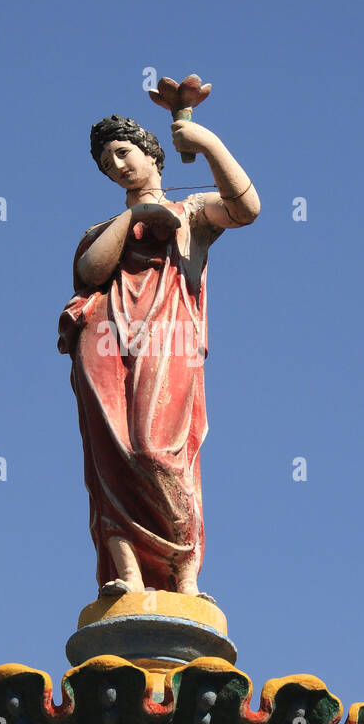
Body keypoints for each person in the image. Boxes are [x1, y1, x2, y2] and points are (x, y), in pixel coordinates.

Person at [58, 113, 259, 598]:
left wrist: (206, 141)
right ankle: (126, 573)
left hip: (168, 334)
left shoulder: (191, 213)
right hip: (104, 338)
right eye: (108, 163)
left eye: (124, 153)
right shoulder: (107, 227)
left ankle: (182, 571)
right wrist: (134, 218)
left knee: (157, 449)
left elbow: (246, 207)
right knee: (114, 455)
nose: (118, 165)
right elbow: (89, 272)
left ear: (151, 154)